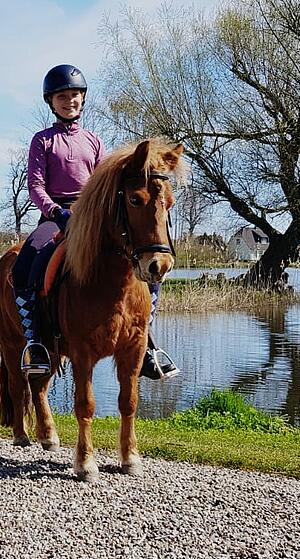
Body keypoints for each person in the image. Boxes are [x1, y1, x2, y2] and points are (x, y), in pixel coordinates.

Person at [12, 64, 179, 380]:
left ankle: (147, 343)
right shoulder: (42, 140)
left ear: (82, 99)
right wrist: (57, 213)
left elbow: (106, 183)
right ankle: (35, 342)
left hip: (92, 216)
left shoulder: (93, 141)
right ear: (51, 101)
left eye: (74, 95)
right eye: (62, 97)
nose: (69, 101)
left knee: (145, 264)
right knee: (26, 264)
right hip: (55, 215)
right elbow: (35, 186)